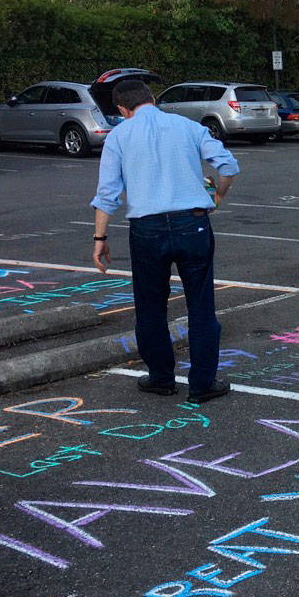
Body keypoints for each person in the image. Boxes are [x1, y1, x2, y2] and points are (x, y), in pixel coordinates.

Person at [91, 79, 240, 404]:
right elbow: (228, 165)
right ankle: (202, 384)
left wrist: (100, 236)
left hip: (146, 228)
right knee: (201, 305)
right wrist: (218, 194)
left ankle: (161, 378)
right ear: (153, 99)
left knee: (150, 307)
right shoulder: (187, 127)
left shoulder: (118, 136)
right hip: (193, 222)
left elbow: (108, 194)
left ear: (121, 109)